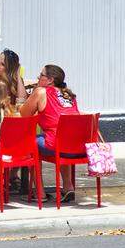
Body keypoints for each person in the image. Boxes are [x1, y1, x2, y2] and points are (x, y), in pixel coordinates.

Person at [21, 64, 81, 202]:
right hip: (76, 145)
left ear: (50, 80)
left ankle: (40, 193)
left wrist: (34, 94)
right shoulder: (69, 94)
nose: (38, 77)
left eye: (41, 75)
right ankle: (68, 187)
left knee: (30, 144)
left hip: (57, 144)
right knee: (62, 139)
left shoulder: (41, 92)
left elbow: (24, 114)